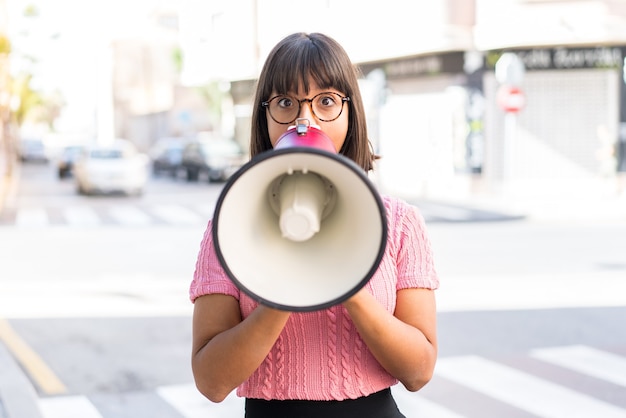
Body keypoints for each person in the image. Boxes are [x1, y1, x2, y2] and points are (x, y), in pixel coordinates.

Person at [190, 32, 439, 418]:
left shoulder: (400, 224)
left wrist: (347, 283)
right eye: (286, 103)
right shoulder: (230, 225)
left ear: (351, 111)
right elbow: (211, 382)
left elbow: (419, 371)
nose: (305, 120)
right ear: (264, 116)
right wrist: (288, 291)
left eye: (326, 101)